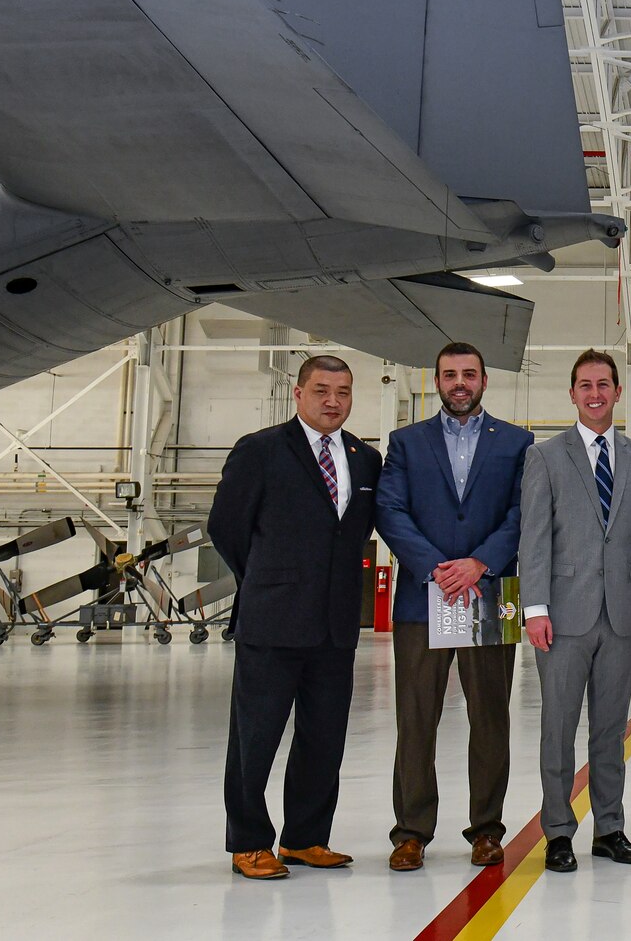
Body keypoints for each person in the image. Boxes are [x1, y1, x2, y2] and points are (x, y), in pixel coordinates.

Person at [209, 354, 381, 881]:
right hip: (273, 620)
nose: (334, 401)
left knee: (323, 736)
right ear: (299, 393)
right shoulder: (259, 451)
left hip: (335, 625)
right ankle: (249, 841)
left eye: (344, 392)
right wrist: (268, 579)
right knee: (255, 737)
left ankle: (306, 838)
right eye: (323, 390)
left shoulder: (364, 458)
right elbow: (227, 528)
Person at [374, 342, 535, 872]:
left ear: (485, 381)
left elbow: (521, 513)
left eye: (469, 374)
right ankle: (412, 832)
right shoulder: (405, 442)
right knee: (416, 719)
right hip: (426, 598)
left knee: (490, 718)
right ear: (436, 381)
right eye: (449, 375)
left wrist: (479, 564)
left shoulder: (516, 442)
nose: (459, 383)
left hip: (489, 595)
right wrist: (438, 568)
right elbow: (390, 511)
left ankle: (487, 830)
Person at [517, 349, 631, 874]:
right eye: (585, 385)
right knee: (557, 727)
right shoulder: (545, 456)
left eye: (605, 384)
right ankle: (558, 831)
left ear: (618, 393)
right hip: (561, 615)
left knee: (610, 728)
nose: (595, 393)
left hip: (623, 615)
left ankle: (610, 827)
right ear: (573, 393)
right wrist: (533, 608)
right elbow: (533, 538)